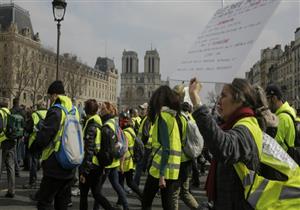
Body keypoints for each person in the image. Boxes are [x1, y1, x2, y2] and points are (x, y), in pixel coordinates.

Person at [189, 78, 263, 210]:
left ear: (239, 100)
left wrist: (197, 103)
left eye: (223, 95)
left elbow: (224, 147)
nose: (218, 101)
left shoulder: (247, 127)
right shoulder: (235, 125)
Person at [29, 80, 78, 210]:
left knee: (44, 202)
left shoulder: (56, 110)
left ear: (55, 95)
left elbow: (45, 135)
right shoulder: (74, 110)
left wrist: (34, 147)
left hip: (55, 163)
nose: (50, 99)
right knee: (61, 202)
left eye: (50, 96)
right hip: (70, 161)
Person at [142, 85, 182, 210]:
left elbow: (166, 148)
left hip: (159, 169)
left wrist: (161, 175)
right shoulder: (173, 117)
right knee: (167, 205)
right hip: (172, 169)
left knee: (146, 202)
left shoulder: (162, 118)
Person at [79, 99, 118, 210]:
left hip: (91, 166)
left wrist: (84, 172)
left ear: (86, 110)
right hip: (98, 165)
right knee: (96, 193)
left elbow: (89, 150)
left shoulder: (92, 125)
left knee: (84, 194)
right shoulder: (99, 122)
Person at [94, 101, 129, 210]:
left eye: (103, 109)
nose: (101, 111)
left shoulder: (107, 125)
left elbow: (107, 148)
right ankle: (126, 207)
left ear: (109, 110)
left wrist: (103, 163)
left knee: (97, 190)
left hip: (108, 162)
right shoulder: (114, 122)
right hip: (115, 160)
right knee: (117, 186)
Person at [118, 112, 143, 201]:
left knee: (121, 183)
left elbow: (124, 150)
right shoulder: (131, 130)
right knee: (129, 182)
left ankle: (121, 202)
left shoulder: (125, 133)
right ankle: (143, 196)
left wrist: (121, 165)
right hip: (130, 161)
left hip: (124, 161)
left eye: (121, 120)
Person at [265, 84, 296, 150]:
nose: (266, 104)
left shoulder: (282, 118)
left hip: (282, 158)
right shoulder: (286, 112)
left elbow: (272, 144)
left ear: (274, 98)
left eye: (267, 99)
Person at [23, 104, 47, 189]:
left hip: (35, 141)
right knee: (45, 161)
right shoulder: (49, 113)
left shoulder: (35, 115)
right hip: (46, 140)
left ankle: (32, 182)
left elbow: (29, 128)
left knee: (33, 161)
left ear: (38, 107)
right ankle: (44, 183)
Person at [0, 101, 16, 198]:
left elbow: (0, 128)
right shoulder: (10, 113)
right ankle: (11, 190)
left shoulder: (0, 113)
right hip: (11, 141)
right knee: (11, 166)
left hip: (2, 142)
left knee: (0, 167)